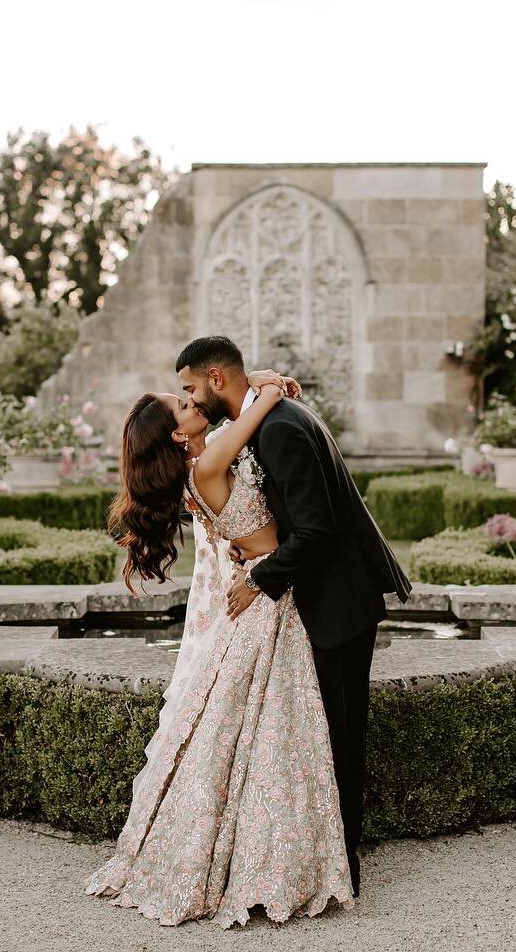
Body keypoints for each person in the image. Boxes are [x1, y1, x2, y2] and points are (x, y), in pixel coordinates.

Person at [86, 367, 354, 928]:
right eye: (181, 407)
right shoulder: (206, 463)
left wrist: (245, 379)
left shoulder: (200, 465)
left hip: (260, 585)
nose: (191, 403)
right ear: (177, 437)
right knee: (275, 729)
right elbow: (259, 406)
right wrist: (267, 385)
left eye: (187, 394)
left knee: (257, 732)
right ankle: (269, 859)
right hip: (265, 595)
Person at [175, 336, 412, 897]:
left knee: (339, 737)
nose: (187, 399)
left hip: (337, 602)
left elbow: (317, 530)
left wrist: (260, 576)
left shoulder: (279, 428)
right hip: (321, 599)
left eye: (188, 389)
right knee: (326, 734)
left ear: (214, 378)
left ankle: (343, 868)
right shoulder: (267, 418)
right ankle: (327, 859)